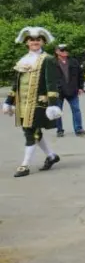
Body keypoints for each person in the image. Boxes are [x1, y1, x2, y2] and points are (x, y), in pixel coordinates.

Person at [4, 27, 63, 177]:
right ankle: (51, 156)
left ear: (43, 41)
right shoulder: (23, 60)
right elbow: (15, 83)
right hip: (23, 104)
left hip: (39, 103)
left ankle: (25, 165)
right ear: (27, 42)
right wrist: (8, 101)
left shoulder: (48, 59)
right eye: (31, 40)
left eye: (38, 39)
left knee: (32, 132)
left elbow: (52, 83)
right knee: (30, 131)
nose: (35, 42)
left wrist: (53, 104)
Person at [52, 43, 85, 138]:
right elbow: (47, 78)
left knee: (76, 110)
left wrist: (80, 87)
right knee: (58, 111)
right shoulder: (52, 62)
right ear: (57, 52)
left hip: (72, 89)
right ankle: (59, 130)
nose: (65, 51)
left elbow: (80, 75)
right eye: (62, 50)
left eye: (66, 50)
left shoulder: (74, 61)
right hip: (58, 90)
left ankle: (79, 129)